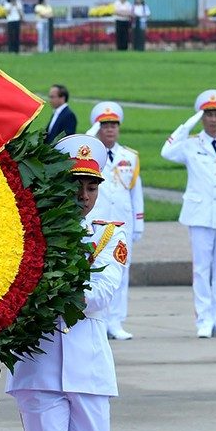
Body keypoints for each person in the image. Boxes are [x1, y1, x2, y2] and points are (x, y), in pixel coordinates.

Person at [11, 133, 125, 431]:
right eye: (75, 183)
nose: (83, 195)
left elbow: (101, 295)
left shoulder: (109, 233)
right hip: (38, 370)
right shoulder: (24, 232)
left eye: (91, 186)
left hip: (90, 371)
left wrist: (52, 287)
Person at [162, 89, 216, 338]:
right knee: (201, 269)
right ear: (202, 116)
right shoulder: (189, 144)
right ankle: (204, 320)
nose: (213, 119)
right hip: (199, 214)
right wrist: (186, 125)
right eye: (208, 114)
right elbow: (166, 152)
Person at [88, 102, 144, 341]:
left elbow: (135, 192)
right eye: (105, 125)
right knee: (95, 271)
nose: (110, 130)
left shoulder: (129, 156)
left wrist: (139, 223)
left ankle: (116, 321)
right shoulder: (90, 154)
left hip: (122, 224)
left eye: (114, 125)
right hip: (97, 223)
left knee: (121, 270)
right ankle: (99, 316)